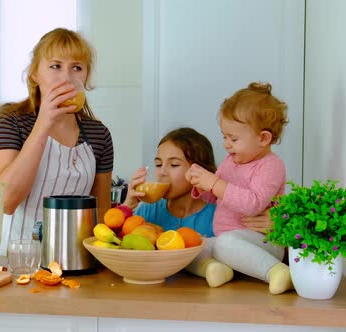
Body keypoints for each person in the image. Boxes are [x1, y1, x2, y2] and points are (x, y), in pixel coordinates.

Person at [0, 28, 114, 241]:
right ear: (35, 74)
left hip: (75, 258)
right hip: (14, 258)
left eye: (77, 68)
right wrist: (44, 123)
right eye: (55, 66)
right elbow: (6, 202)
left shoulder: (98, 134)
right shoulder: (10, 121)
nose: (66, 77)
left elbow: (100, 214)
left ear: (86, 76)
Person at [185, 82, 292, 294]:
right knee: (190, 246)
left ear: (263, 138)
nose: (226, 144)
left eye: (233, 138)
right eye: (224, 136)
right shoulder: (231, 161)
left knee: (225, 243)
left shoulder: (270, 165)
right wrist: (201, 185)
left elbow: (253, 204)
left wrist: (215, 183)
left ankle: (276, 271)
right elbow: (217, 197)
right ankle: (216, 269)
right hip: (230, 242)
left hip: (262, 243)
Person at [123, 127, 234, 287]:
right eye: (158, 164)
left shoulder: (220, 213)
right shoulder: (147, 209)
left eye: (174, 165)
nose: (162, 172)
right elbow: (120, 246)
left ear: (202, 171)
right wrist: (128, 206)